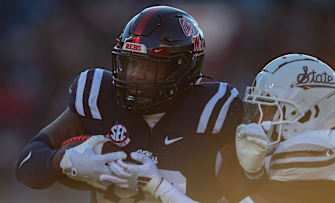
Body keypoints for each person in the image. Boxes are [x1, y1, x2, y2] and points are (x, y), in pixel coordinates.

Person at [14, 5, 243, 203]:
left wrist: (161, 187)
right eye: (130, 64)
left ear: (183, 69)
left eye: (149, 67)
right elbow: (27, 166)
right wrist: (64, 161)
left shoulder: (212, 112)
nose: (135, 75)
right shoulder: (99, 97)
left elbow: (247, 196)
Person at [220, 54, 335, 202]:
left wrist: (251, 172)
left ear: (307, 115)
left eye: (269, 108)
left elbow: (257, 199)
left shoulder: (318, 146)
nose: (256, 119)